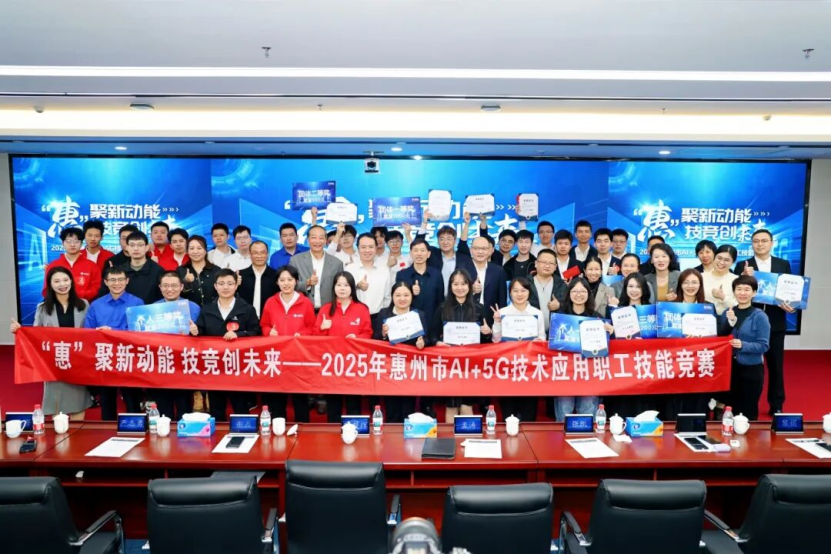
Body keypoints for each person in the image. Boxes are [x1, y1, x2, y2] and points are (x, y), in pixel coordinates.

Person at [12, 267, 92, 419]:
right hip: (54, 363)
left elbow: (91, 332)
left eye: (65, 280)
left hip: (78, 362)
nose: (62, 284)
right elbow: (36, 335)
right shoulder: (42, 308)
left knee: (78, 402)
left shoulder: (84, 304)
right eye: (57, 281)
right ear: (50, 284)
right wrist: (20, 331)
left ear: (71, 281)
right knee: (56, 404)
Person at [733, 229, 794, 415]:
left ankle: (776, 404)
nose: (760, 244)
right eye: (756, 241)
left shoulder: (783, 264)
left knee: (776, 365)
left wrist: (791, 305)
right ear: (751, 244)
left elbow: (790, 292)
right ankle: (744, 404)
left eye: (764, 241)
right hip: (750, 324)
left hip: (776, 322)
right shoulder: (743, 265)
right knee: (747, 365)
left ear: (771, 243)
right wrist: (744, 275)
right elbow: (738, 291)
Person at [191, 268, 262, 421]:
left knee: (240, 405)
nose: (225, 287)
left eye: (230, 283)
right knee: (216, 406)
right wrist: (195, 331)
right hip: (214, 365)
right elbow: (200, 332)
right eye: (221, 283)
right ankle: (216, 433)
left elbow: (256, 332)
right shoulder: (207, 309)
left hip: (238, 365)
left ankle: (243, 431)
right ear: (215, 286)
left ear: (236, 285)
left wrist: (239, 334)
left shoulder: (247, 309)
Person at [84, 266, 145, 419]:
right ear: (106, 282)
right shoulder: (96, 305)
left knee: (132, 400)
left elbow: (140, 331)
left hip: (130, 358)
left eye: (120, 280)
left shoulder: (137, 303)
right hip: (105, 358)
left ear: (127, 281)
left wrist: (112, 331)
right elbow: (88, 332)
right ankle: (106, 430)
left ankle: (135, 427)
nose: (116, 283)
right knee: (107, 400)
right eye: (112, 280)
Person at [431, 269, 491, 422]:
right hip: (449, 365)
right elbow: (432, 335)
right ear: (450, 286)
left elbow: (487, 342)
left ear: (469, 286)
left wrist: (487, 332)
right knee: (451, 406)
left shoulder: (479, 308)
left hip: (471, 366)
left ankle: (467, 436)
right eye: (455, 284)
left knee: (467, 405)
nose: (460, 287)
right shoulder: (443, 308)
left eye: (463, 284)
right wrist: (437, 342)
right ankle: (450, 437)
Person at [313, 271, 373, 422]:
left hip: (354, 363)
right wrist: (322, 328)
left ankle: (355, 431)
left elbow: (368, 333)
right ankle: (333, 432)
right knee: (333, 405)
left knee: (354, 404)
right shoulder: (326, 309)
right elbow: (315, 338)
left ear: (352, 287)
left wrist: (357, 338)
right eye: (338, 285)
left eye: (346, 285)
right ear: (333, 287)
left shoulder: (362, 309)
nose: (342, 288)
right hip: (332, 364)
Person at [260, 265, 316, 422]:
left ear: (296, 281)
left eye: (290, 280)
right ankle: (279, 428)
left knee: (300, 398)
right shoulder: (271, 302)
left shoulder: (305, 302)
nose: (286, 283)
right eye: (282, 280)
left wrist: (302, 334)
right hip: (276, 356)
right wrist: (268, 332)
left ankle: (303, 428)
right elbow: (264, 324)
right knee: (278, 397)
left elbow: (312, 327)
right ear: (277, 282)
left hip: (298, 357)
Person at [553, 277, 610, 421]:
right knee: (563, 417)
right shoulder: (559, 318)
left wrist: (610, 332)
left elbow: (604, 348)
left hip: (589, 375)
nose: (579, 294)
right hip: (565, 375)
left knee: (587, 417)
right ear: (569, 294)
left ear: (588, 294)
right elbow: (552, 343)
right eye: (575, 291)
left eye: (583, 291)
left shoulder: (597, 318)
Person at [492, 277, 546, 422]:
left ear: (529, 292)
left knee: (529, 412)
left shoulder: (537, 313)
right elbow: (495, 340)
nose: (519, 294)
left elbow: (542, 338)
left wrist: (538, 342)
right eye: (515, 291)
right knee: (508, 412)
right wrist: (497, 322)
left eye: (523, 290)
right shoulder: (502, 312)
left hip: (529, 368)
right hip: (508, 368)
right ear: (510, 293)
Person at [668, 268, 720, 418]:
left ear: (700, 285)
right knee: (676, 401)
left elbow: (715, 334)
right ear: (680, 285)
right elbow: (664, 335)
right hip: (677, 362)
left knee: (698, 401)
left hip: (700, 361)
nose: (690, 286)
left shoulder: (708, 307)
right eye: (686, 282)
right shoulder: (670, 307)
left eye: (694, 282)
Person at [374, 281, 428, 423]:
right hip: (390, 368)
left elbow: (427, 338)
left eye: (406, 295)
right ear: (392, 296)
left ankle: (407, 435)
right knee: (391, 407)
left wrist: (422, 342)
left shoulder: (419, 315)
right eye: (398, 295)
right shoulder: (384, 313)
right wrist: (383, 334)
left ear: (412, 296)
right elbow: (375, 338)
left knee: (408, 408)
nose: (402, 298)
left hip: (410, 368)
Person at [719, 276, 771, 420]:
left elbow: (764, 345)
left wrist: (743, 345)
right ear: (734, 292)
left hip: (751, 369)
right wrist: (729, 322)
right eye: (739, 289)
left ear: (754, 293)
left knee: (748, 411)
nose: (742, 293)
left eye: (747, 289)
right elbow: (720, 337)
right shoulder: (727, 313)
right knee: (730, 409)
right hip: (729, 369)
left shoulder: (760, 316)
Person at [153, 271, 201, 420]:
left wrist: (196, 331)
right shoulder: (153, 309)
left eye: (174, 285)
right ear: (160, 287)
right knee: (163, 409)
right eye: (166, 286)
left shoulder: (193, 307)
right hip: (161, 364)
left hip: (184, 364)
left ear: (181, 287)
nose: (170, 289)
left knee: (184, 407)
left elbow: (202, 335)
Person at [289, 224, 344, 311]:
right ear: (308, 240)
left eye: (321, 238)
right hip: (303, 311)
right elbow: (290, 285)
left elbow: (341, 288)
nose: (317, 241)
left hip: (329, 311)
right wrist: (307, 283)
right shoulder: (295, 260)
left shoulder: (337, 263)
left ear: (326, 240)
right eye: (314, 237)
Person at [417, 214, 476, 292]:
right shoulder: (432, 254)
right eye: (442, 239)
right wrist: (424, 223)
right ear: (438, 241)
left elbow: (472, 277)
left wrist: (466, 224)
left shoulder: (464, 258)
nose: (445, 242)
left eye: (449, 239)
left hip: (458, 296)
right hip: (435, 297)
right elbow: (418, 243)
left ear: (455, 241)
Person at [103, 231, 165, 304]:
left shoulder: (158, 271)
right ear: (127, 247)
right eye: (132, 245)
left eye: (140, 245)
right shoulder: (120, 271)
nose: (136, 249)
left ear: (146, 248)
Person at [42, 227, 101, 302]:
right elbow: (46, 289)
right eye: (68, 241)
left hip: (85, 305)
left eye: (76, 241)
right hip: (58, 305)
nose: (72, 245)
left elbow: (96, 288)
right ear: (62, 243)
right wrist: (62, 299)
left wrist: (79, 297)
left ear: (81, 243)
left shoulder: (92, 266)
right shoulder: (53, 265)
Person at [346, 233, 391, 329]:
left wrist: (385, 318)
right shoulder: (349, 269)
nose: (367, 250)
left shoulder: (384, 270)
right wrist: (357, 286)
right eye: (363, 247)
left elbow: (387, 298)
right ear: (358, 249)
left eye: (371, 247)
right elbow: (343, 294)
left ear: (376, 248)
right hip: (354, 318)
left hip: (378, 318)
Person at [396, 239, 445, 325]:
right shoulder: (402, 275)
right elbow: (397, 301)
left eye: (422, 250)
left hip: (432, 322)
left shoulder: (436, 274)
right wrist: (410, 292)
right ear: (411, 254)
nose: (419, 254)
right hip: (409, 324)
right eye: (415, 250)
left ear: (428, 254)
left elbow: (440, 301)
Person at [528, 249, 568, 337]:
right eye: (544, 262)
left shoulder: (561, 284)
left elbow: (570, 305)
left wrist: (559, 305)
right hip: (530, 332)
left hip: (555, 334)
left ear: (555, 267)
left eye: (551, 263)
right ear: (536, 263)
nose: (547, 266)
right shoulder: (525, 284)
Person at [469, 236, 508, 326]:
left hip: (492, 318)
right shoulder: (461, 269)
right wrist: (471, 290)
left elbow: (502, 299)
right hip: (467, 317)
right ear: (471, 250)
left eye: (484, 248)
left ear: (490, 250)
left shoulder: (498, 271)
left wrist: (500, 321)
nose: (480, 252)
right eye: (476, 248)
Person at [238, 240, 277, 317]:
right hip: (245, 319)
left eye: (262, 252)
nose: (259, 256)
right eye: (255, 253)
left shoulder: (276, 276)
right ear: (250, 254)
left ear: (267, 254)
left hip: (270, 318)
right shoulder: (240, 275)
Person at [178, 235, 219, 307]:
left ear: (205, 250)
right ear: (187, 251)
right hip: (190, 311)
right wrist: (185, 281)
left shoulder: (216, 270)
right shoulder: (181, 270)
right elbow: (177, 294)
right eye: (191, 248)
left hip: (213, 311)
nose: (195, 251)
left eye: (199, 248)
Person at [703, 244, 739, 315]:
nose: (722, 262)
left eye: (727, 260)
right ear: (714, 257)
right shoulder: (701, 277)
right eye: (719, 258)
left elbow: (739, 305)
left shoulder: (737, 280)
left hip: (727, 319)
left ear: (733, 262)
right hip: (702, 318)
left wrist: (723, 297)